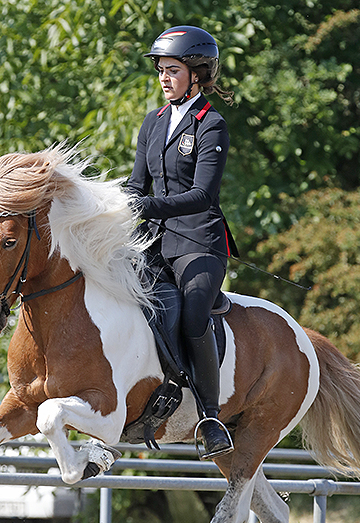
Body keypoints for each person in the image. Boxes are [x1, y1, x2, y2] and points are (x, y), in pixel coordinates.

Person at [125, 25, 237, 460]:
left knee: (192, 316)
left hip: (200, 243)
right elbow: (138, 184)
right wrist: (122, 206)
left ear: (197, 73)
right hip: (154, 243)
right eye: (161, 70)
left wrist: (145, 207)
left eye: (173, 70)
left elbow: (203, 195)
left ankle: (209, 417)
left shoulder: (211, 124)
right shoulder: (152, 123)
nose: (164, 78)